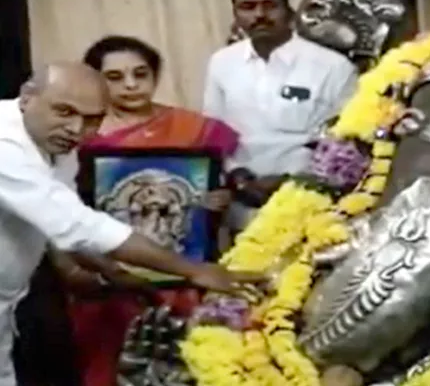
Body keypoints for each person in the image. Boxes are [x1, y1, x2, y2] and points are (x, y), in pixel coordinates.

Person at [0, 61, 264, 386]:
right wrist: (194, 269)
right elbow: (79, 226)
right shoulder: (5, 146)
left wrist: (114, 273)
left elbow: (66, 225)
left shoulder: (55, 140)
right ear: (27, 98)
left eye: (92, 119)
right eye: (64, 112)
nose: (77, 129)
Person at [53, 35, 242, 386]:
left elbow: (215, 185)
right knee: (109, 365)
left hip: (182, 276)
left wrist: (218, 199)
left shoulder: (194, 129)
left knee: (186, 363)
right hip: (104, 276)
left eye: (140, 74)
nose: (130, 85)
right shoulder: (77, 139)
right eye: (115, 77)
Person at [203, 0, 359, 231]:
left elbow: (346, 143)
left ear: (289, 11)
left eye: (270, 5)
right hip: (240, 198)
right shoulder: (222, 63)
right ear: (235, 14)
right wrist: (239, 179)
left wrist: (291, 182)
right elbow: (214, 132)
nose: (259, 14)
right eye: (248, 7)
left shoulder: (333, 66)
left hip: (310, 201)